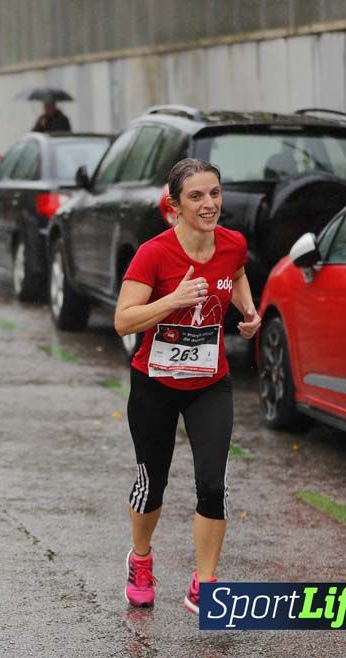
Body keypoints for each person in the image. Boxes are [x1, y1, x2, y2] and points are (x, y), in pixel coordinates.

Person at [113, 158, 261, 614]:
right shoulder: (154, 254)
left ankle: (206, 583)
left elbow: (234, 274)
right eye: (196, 196)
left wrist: (249, 312)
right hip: (154, 383)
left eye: (214, 193)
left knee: (213, 485)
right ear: (174, 204)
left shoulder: (233, 244)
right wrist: (172, 299)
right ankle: (140, 560)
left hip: (209, 383)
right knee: (151, 483)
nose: (209, 204)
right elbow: (123, 321)